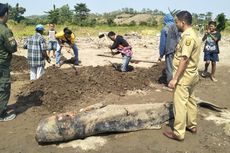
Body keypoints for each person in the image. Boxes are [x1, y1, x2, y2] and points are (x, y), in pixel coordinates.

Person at [163, 11, 201, 141]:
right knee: (191, 101)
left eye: (177, 21)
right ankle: (192, 125)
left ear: (183, 22)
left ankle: (178, 132)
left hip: (184, 77)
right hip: (192, 75)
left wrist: (174, 78)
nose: (176, 23)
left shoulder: (188, 37)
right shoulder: (193, 34)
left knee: (179, 104)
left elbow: (184, 59)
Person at [0, 3, 17, 121]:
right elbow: (13, 47)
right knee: (4, 87)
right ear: (5, 14)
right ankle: (2, 114)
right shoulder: (4, 30)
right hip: (2, 64)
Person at [158, 14, 180, 85]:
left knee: (170, 67)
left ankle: (170, 83)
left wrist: (161, 54)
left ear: (165, 21)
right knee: (177, 66)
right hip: (179, 50)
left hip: (170, 50)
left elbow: (163, 44)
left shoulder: (165, 29)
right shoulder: (177, 26)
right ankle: (178, 81)